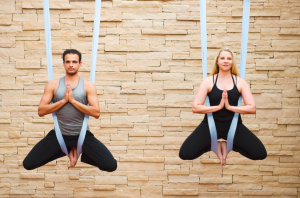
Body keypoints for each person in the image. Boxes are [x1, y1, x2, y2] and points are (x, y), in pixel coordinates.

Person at [23, 49, 117, 171]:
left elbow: (96, 113)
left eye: (74, 61)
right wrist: (63, 101)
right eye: (68, 62)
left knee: (111, 165)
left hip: (82, 136)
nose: (71, 64)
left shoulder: (88, 85)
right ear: (63, 64)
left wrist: (73, 101)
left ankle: (79, 150)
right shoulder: (53, 84)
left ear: (80, 63)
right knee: (28, 164)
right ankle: (65, 149)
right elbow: (41, 111)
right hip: (59, 135)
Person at [179, 48, 267, 166]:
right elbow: (196, 107)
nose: (226, 61)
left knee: (259, 153)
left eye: (229, 58)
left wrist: (230, 107)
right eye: (222, 58)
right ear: (217, 61)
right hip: (210, 126)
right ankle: (212, 145)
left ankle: (228, 144)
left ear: (232, 62)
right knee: (185, 153)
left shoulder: (240, 83)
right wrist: (219, 106)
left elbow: (252, 108)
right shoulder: (208, 82)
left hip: (234, 126)